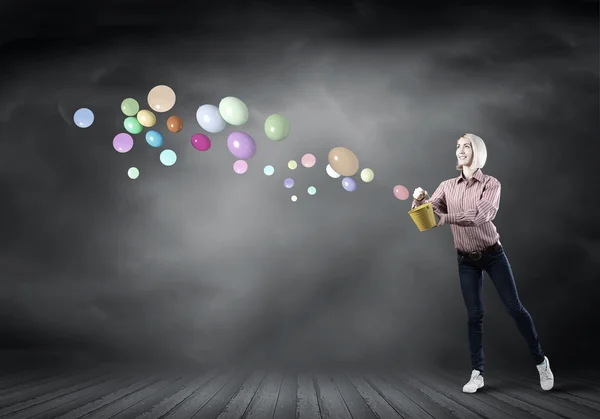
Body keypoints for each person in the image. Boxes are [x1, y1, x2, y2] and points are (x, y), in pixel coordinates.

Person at [412, 133, 554, 393]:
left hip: (493, 255)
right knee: (474, 316)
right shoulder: (446, 186)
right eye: (457, 146)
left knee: (514, 308)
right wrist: (420, 201)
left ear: (477, 151)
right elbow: (426, 219)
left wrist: (446, 218)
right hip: (466, 260)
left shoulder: (491, 184)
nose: (460, 150)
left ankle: (540, 361)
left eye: (466, 146)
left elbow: (481, 214)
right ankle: (477, 373)